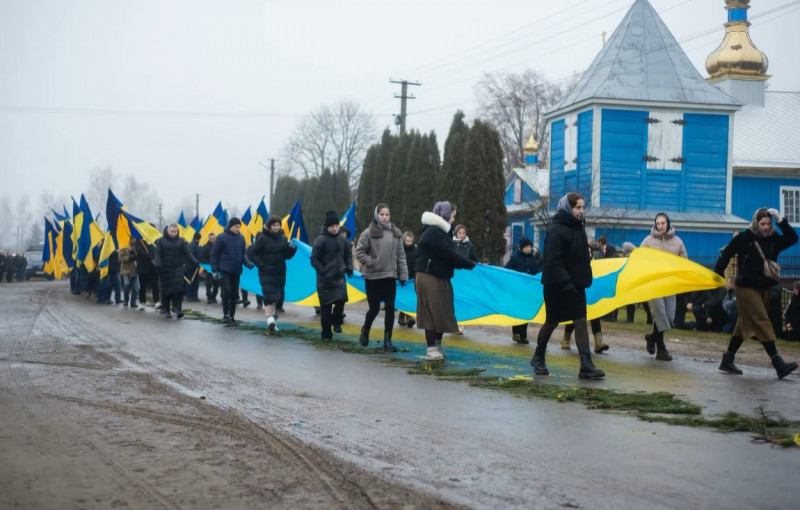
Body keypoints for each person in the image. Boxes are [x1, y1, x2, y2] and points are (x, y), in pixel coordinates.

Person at [714, 207, 798, 378]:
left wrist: (780, 220)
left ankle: (727, 360)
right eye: (762, 224)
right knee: (762, 320)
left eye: (768, 224)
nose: (766, 227)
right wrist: (717, 276)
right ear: (755, 223)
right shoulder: (744, 238)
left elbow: (793, 238)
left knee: (742, 326)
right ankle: (778, 363)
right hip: (746, 287)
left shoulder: (774, 239)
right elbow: (726, 255)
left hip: (764, 288)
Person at [530, 192, 604, 379]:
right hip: (556, 285)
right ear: (568, 208)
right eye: (577, 207)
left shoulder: (578, 227)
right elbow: (553, 260)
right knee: (552, 321)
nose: (581, 211)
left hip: (576, 285)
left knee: (580, 321)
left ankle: (585, 364)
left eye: (582, 207)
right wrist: (565, 281)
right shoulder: (556, 229)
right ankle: (538, 356)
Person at [415, 201, 476, 361]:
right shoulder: (433, 231)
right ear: (445, 215)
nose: (454, 220)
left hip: (441, 276)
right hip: (428, 276)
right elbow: (448, 254)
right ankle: (431, 348)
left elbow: (451, 255)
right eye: (453, 216)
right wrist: (467, 263)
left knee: (443, 310)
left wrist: (467, 263)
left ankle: (437, 344)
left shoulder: (443, 232)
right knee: (430, 311)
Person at [355, 204, 408, 352]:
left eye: (387, 214)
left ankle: (387, 341)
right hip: (373, 277)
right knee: (374, 308)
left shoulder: (396, 233)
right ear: (376, 215)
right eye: (382, 214)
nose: (384, 217)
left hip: (390, 276)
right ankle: (365, 330)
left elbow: (401, 256)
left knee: (390, 308)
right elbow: (359, 252)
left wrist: (403, 275)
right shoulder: (368, 233)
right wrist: (372, 262)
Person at [640, 212, 688, 361]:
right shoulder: (648, 241)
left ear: (668, 223)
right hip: (653, 284)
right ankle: (661, 349)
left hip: (669, 284)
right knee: (660, 315)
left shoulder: (678, 241)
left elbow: (684, 262)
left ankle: (651, 338)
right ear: (655, 224)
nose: (660, 226)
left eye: (663, 223)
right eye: (658, 223)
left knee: (668, 318)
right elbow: (639, 258)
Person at [249, 216, 297, 334]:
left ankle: (273, 322)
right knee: (269, 296)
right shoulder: (262, 238)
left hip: (280, 273)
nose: (276, 227)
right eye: (274, 225)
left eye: (278, 225)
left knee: (279, 298)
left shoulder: (283, 238)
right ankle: (270, 318)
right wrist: (261, 265)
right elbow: (251, 253)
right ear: (269, 226)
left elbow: (286, 255)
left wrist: (292, 249)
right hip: (266, 273)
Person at [310, 211, 353, 341]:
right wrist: (323, 271)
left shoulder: (342, 240)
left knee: (341, 301)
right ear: (327, 227)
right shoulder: (320, 240)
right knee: (326, 308)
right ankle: (326, 334)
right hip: (325, 280)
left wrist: (349, 268)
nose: (335, 229)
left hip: (339, 277)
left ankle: (337, 322)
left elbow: (348, 255)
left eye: (337, 226)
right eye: (332, 226)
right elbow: (314, 259)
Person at [210, 217, 254, 326]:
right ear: (230, 226)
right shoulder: (221, 238)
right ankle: (225, 315)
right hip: (224, 270)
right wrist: (215, 270)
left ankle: (232, 316)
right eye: (236, 226)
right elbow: (214, 254)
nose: (238, 229)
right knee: (227, 291)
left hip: (236, 270)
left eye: (239, 227)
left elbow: (242, 254)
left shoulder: (241, 238)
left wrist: (248, 263)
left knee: (234, 294)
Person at [155, 223, 198, 319]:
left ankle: (177, 308)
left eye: (175, 231)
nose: (173, 233)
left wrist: (195, 262)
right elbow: (157, 254)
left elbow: (187, 253)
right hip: (165, 268)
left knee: (178, 289)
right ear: (168, 231)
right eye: (172, 231)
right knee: (166, 291)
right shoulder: (160, 241)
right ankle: (167, 310)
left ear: (177, 232)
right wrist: (158, 264)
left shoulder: (181, 241)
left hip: (177, 268)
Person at [504, 237, 540, 344]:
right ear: (522, 248)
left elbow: (535, 271)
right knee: (517, 312)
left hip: (528, 291)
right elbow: (506, 270)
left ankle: (523, 336)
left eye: (530, 247)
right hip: (517, 291)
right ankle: (516, 333)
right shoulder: (515, 258)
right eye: (527, 247)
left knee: (526, 312)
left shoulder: (533, 259)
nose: (529, 249)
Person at [397, 231, 418, 328]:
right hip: (401, 278)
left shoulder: (416, 250)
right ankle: (407, 318)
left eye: (410, 241)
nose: (409, 243)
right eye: (407, 241)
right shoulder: (400, 250)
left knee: (409, 298)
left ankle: (403, 317)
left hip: (411, 279)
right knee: (403, 298)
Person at [135, 238, 159, 310]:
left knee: (155, 284)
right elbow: (140, 252)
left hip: (153, 267)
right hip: (143, 266)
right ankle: (142, 302)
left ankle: (156, 302)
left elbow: (157, 250)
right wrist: (150, 256)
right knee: (143, 285)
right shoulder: (139, 240)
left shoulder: (155, 239)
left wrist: (154, 256)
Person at [199, 232, 219, 304]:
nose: (212, 240)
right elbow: (202, 257)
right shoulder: (205, 247)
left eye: (213, 238)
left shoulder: (218, 247)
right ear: (209, 239)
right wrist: (208, 264)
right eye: (211, 239)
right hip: (208, 268)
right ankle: (209, 297)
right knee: (209, 284)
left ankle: (214, 296)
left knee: (216, 283)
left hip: (216, 268)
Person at [118, 238, 139, 308]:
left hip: (134, 271)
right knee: (126, 284)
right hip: (126, 270)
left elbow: (138, 255)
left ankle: (133, 302)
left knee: (136, 287)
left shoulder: (137, 246)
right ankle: (126, 300)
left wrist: (135, 256)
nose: (134, 239)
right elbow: (120, 258)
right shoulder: (124, 246)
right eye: (133, 238)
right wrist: (129, 258)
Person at [184, 232, 202, 302]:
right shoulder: (194, 246)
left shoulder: (191, 245)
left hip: (192, 266)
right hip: (192, 266)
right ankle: (190, 296)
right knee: (191, 281)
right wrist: (197, 262)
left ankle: (194, 296)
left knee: (194, 282)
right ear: (199, 238)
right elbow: (192, 256)